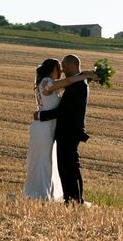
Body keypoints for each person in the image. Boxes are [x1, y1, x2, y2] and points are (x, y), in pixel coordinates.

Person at [24, 58, 97, 200]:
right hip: (45, 128)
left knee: (50, 161)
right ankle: (40, 193)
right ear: (53, 69)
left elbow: (71, 83)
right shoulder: (47, 82)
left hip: (52, 127)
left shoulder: (52, 83)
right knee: (44, 160)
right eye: (59, 67)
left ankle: (54, 194)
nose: (62, 70)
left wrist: (85, 76)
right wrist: (86, 76)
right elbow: (69, 82)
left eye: (63, 66)